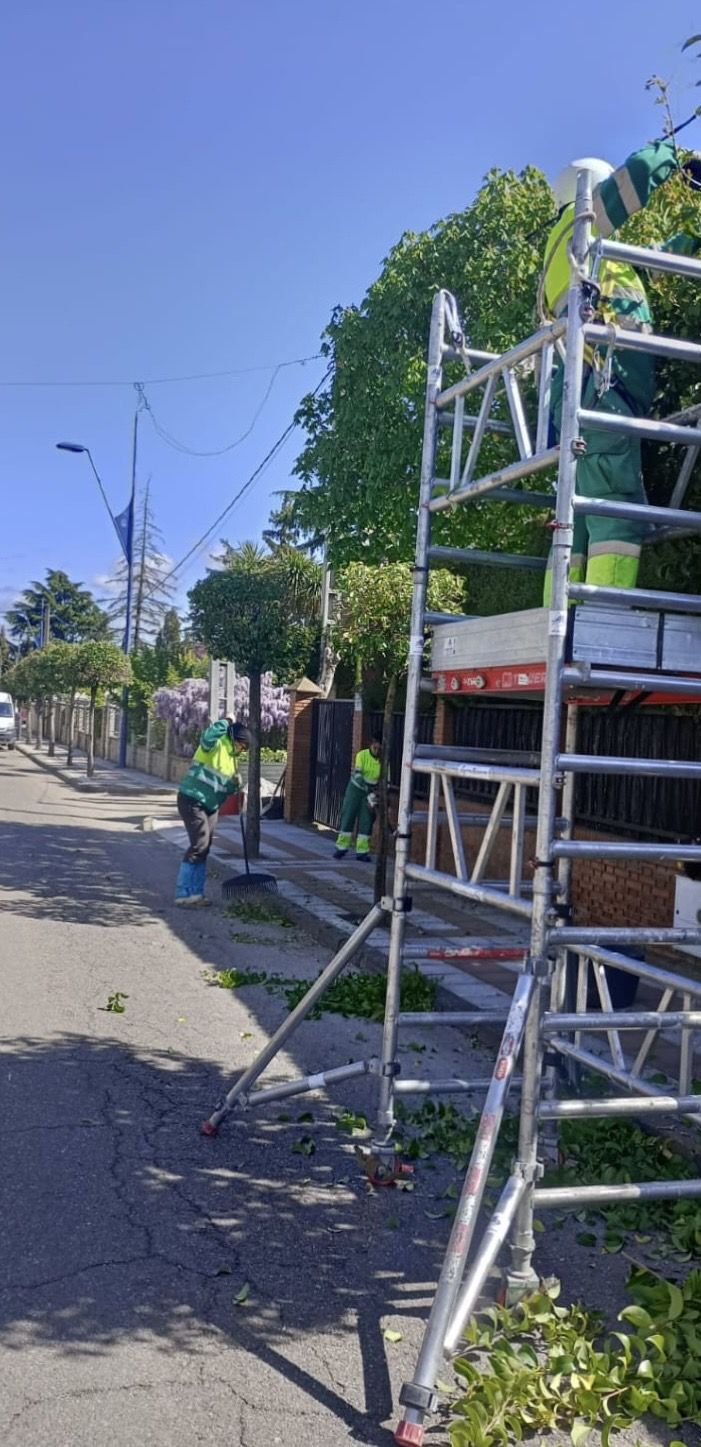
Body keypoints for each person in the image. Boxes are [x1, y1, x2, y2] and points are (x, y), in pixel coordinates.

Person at [541, 139, 701, 600]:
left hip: (588, 397)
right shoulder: (576, 229)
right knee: (616, 510)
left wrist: (694, 234)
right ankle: (603, 617)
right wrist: (671, 153)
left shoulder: (592, 258)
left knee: (579, 516)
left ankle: (560, 616)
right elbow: (630, 183)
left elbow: (651, 265)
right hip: (603, 394)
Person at [174, 716, 250, 906]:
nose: (242, 750)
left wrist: (234, 785)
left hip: (211, 806)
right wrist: (226, 721)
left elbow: (224, 789)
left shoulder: (232, 761)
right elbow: (208, 736)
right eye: (242, 746)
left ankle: (196, 893)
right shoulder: (215, 744)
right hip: (192, 799)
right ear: (235, 739)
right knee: (198, 846)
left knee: (205, 847)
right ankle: (183, 893)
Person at [334, 734, 382, 862]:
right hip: (355, 790)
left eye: (379, 749)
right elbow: (358, 775)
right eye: (375, 747)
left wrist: (376, 795)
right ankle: (341, 848)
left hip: (370, 793)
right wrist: (368, 790)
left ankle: (362, 851)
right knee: (348, 816)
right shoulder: (362, 755)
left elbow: (384, 782)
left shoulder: (384, 761)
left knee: (367, 821)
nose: (377, 750)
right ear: (371, 744)